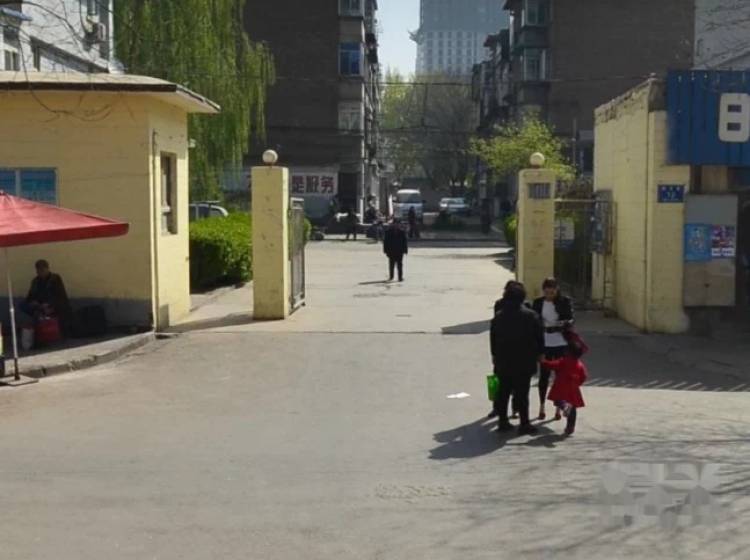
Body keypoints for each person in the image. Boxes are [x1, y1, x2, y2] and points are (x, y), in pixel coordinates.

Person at [490, 282, 545, 435]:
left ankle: (503, 421)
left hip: (503, 360)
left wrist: (494, 355)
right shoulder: (531, 316)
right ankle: (524, 423)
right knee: (522, 392)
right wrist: (540, 353)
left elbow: (493, 338)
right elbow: (539, 337)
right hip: (524, 360)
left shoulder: (499, 316)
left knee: (503, 391)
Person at [532, 277, 574, 421]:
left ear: (557, 290)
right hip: (544, 342)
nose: (549, 295)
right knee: (544, 376)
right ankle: (542, 406)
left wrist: (564, 323)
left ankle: (558, 408)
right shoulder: (538, 303)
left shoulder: (564, 301)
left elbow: (571, 318)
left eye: (552, 292)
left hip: (560, 342)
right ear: (543, 290)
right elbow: (534, 320)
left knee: (559, 376)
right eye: (547, 292)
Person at [488, 280, 524, 420]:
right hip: (501, 348)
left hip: (517, 348)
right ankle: (495, 407)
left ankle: (515, 408)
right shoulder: (499, 304)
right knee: (495, 380)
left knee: (516, 382)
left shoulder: (524, 305)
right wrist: (493, 352)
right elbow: (494, 329)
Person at [541, 332, 589, 436]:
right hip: (573, 389)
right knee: (573, 409)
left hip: (561, 386)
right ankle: (570, 427)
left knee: (558, 400)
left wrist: (543, 361)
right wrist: (577, 383)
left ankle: (565, 406)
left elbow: (552, 365)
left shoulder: (563, 361)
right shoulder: (579, 364)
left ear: (568, 352)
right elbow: (584, 376)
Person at [22, 259, 73, 336]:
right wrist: (33, 302)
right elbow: (30, 296)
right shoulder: (35, 281)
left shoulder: (55, 279)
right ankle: (40, 319)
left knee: (61, 306)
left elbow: (60, 295)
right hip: (39, 305)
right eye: (38, 270)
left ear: (47, 269)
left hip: (54, 304)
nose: (40, 272)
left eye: (42, 270)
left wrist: (49, 304)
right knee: (23, 305)